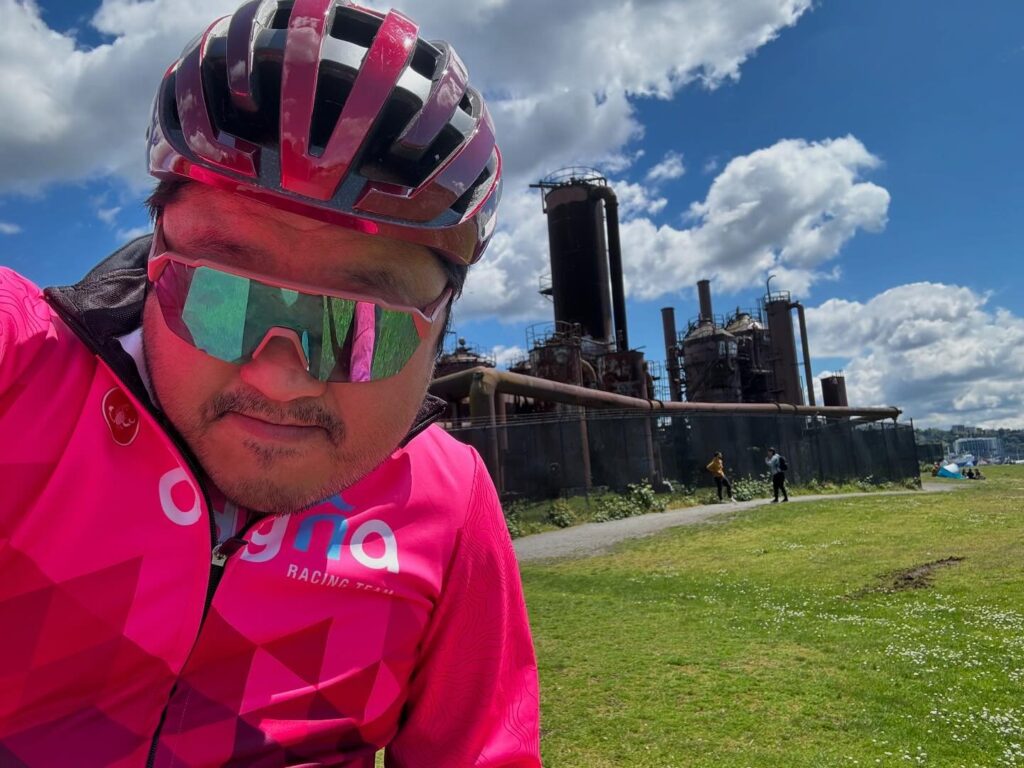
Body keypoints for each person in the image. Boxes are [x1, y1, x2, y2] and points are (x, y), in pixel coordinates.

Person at [0, 2, 541, 766]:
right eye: (220, 295)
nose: (281, 378)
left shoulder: (448, 504)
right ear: (155, 255)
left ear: (445, 318)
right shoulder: (22, 373)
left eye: (361, 328)